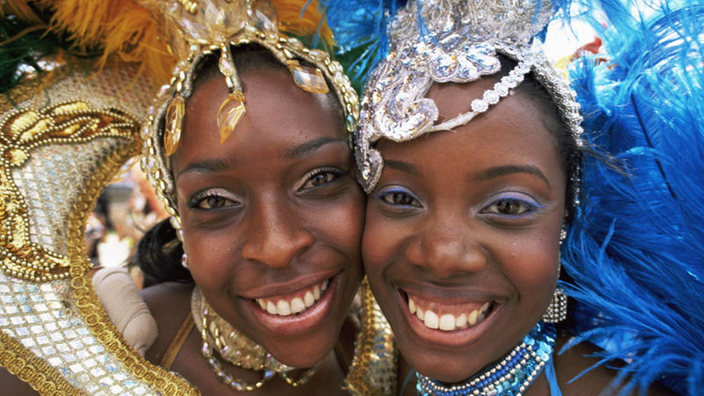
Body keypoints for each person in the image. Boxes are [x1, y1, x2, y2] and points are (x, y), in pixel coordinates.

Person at [0, 0, 397, 394]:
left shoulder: (396, 336)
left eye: (319, 178)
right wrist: (58, 342)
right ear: (179, 221)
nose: (276, 247)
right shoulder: (88, 359)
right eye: (215, 201)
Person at [323, 0, 702, 394]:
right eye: (400, 199)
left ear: (566, 223)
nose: (442, 256)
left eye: (507, 206)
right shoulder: (370, 359)